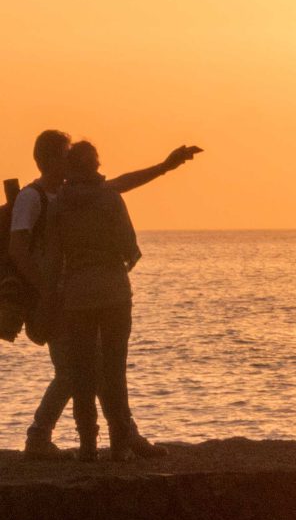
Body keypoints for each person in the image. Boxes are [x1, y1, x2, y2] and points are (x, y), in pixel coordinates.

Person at [10, 130, 200, 458]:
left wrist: (164, 167)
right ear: (51, 160)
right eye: (66, 155)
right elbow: (18, 249)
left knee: (93, 369)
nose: (72, 161)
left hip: (70, 294)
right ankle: (41, 437)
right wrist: (46, 291)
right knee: (78, 371)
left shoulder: (69, 194)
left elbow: (121, 183)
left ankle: (120, 435)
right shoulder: (33, 197)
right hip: (56, 296)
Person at [42, 141, 147, 461]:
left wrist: (50, 297)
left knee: (82, 372)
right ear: (96, 165)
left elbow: (53, 256)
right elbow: (129, 246)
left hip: (76, 296)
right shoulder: (111, 199)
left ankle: (88, 444)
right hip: (114, 292)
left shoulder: (59, 204)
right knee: (115, 369)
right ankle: (119, 443)